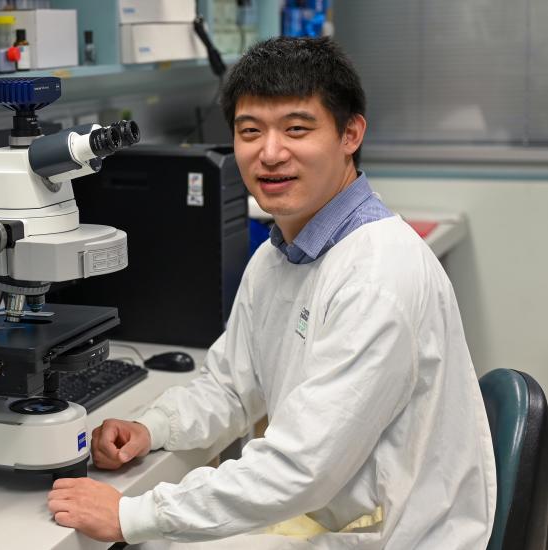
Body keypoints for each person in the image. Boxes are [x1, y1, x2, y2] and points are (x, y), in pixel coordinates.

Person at [47, 37, 496, 549]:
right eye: (250, 131)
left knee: (146, 540)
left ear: (351, 133)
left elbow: (300, 468)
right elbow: (233, 386)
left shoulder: (377, 276)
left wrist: (132, 515)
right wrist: (154, 428)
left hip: (394, 535)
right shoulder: (280, 252)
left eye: (297, 129)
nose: (271, 153)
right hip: (332, 514)